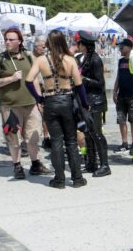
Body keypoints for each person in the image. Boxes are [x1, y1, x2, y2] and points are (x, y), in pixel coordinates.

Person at [25, 29, 88, 189]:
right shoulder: (70, 60)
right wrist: (85, 104)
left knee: (56, 141)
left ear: (48, 43)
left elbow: (28, 80)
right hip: (67, 100)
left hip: (50, 101)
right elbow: (79, 85)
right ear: (63, 42)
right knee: (71, 141)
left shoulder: (41, 60)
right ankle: (77, 178)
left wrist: (39, 98)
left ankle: (59, 180)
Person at [0, 27, 50, 180]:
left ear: (20, 41)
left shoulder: (29, 57)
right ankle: (17, 166)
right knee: (13, 138)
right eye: (6, 39)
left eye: (11, 39)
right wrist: (11, 79)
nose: (7, 42)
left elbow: (34, 79)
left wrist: (39, 99)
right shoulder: (0, 59)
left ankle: (35, 164)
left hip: (31, 104)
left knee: (33, 136)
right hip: (10, 106)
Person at [77, 31, 111, 177]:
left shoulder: (96, 60)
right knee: (88, 133)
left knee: (97, 133)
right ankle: (92, 163)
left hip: (96, 101)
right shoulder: (85, 58)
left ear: (84, 45)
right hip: (87, 100)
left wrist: (84, 79)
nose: (77, 45)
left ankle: (105, 165)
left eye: (78, 43)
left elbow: (100, 83)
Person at [113, 38, 133, 154]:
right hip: (121, 95)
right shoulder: (120, 61)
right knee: (121, 120)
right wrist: (114, 91)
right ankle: (124, 143)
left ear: (129, 47)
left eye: (122, 47)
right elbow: (118, 76)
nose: (120, 49)